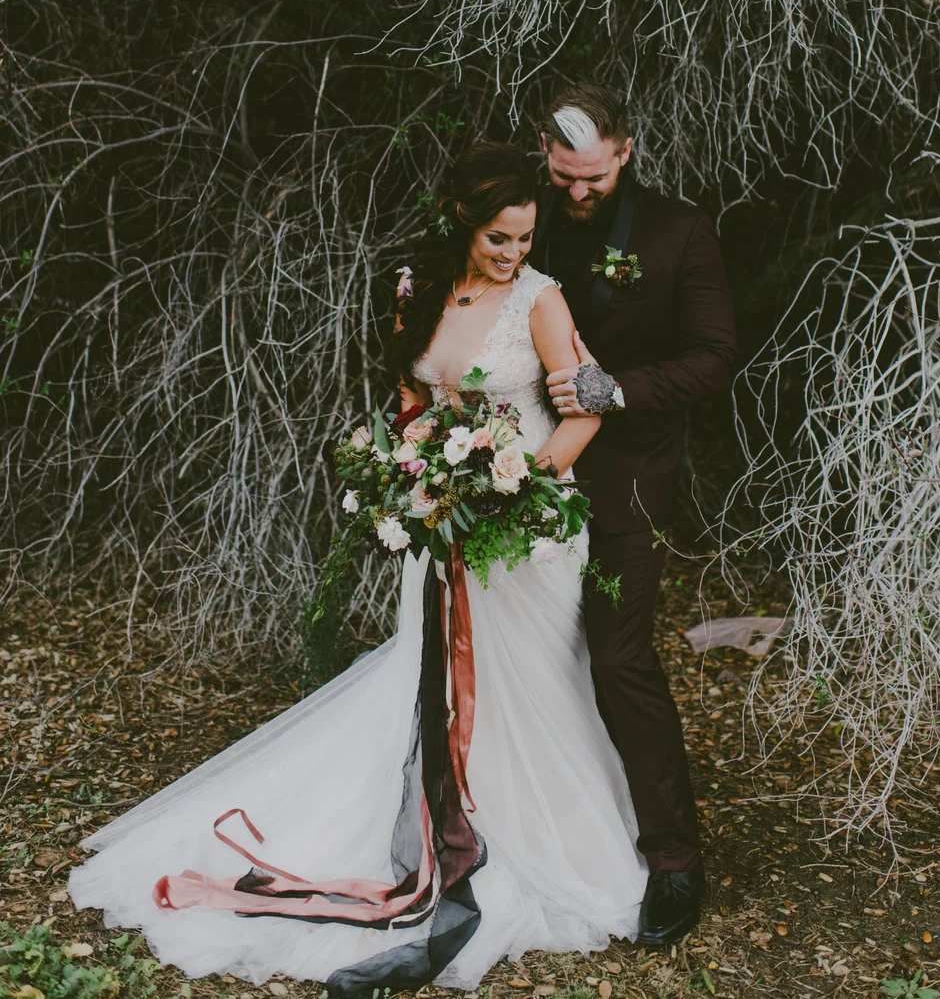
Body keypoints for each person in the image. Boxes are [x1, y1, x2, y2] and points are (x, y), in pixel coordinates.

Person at [69, 141, 649, 998]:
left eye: (525, 238)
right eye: (498, 238)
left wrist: (525, 488)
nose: (513, 253)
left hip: (525, 531)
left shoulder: (542, 300)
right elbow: (412, 403)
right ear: (460, 221)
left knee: (528, 688)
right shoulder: (417, 290)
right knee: (428, 679)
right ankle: (421, 821)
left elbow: (584, 413)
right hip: (443, 517)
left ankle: (536, 840)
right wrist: (412, 477)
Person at [531, 83, 736, 947]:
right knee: (522, 654)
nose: (578, 192)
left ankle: (675, 860)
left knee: (619, 658)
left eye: (595, 177)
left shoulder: (677, 231)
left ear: (625, 152)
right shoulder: (521, 215)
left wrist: (616, 390)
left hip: (628, 476)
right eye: (564, 175)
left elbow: (715, 356)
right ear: (545, 154)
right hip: (522, 471)